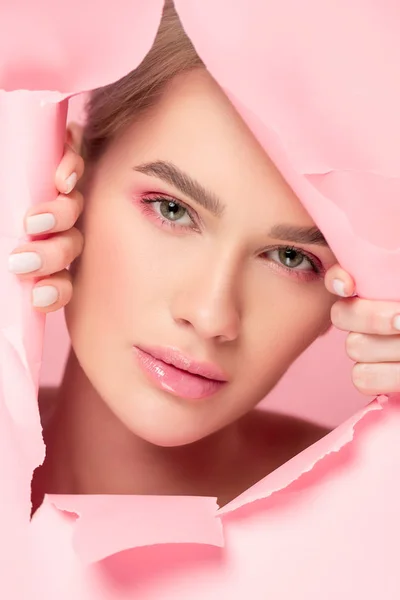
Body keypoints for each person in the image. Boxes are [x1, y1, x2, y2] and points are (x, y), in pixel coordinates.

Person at [9, 1, 400, 509]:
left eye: (290, 257)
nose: (211, 315)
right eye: (171, 209)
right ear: (69, 179)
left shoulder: (372, 527)